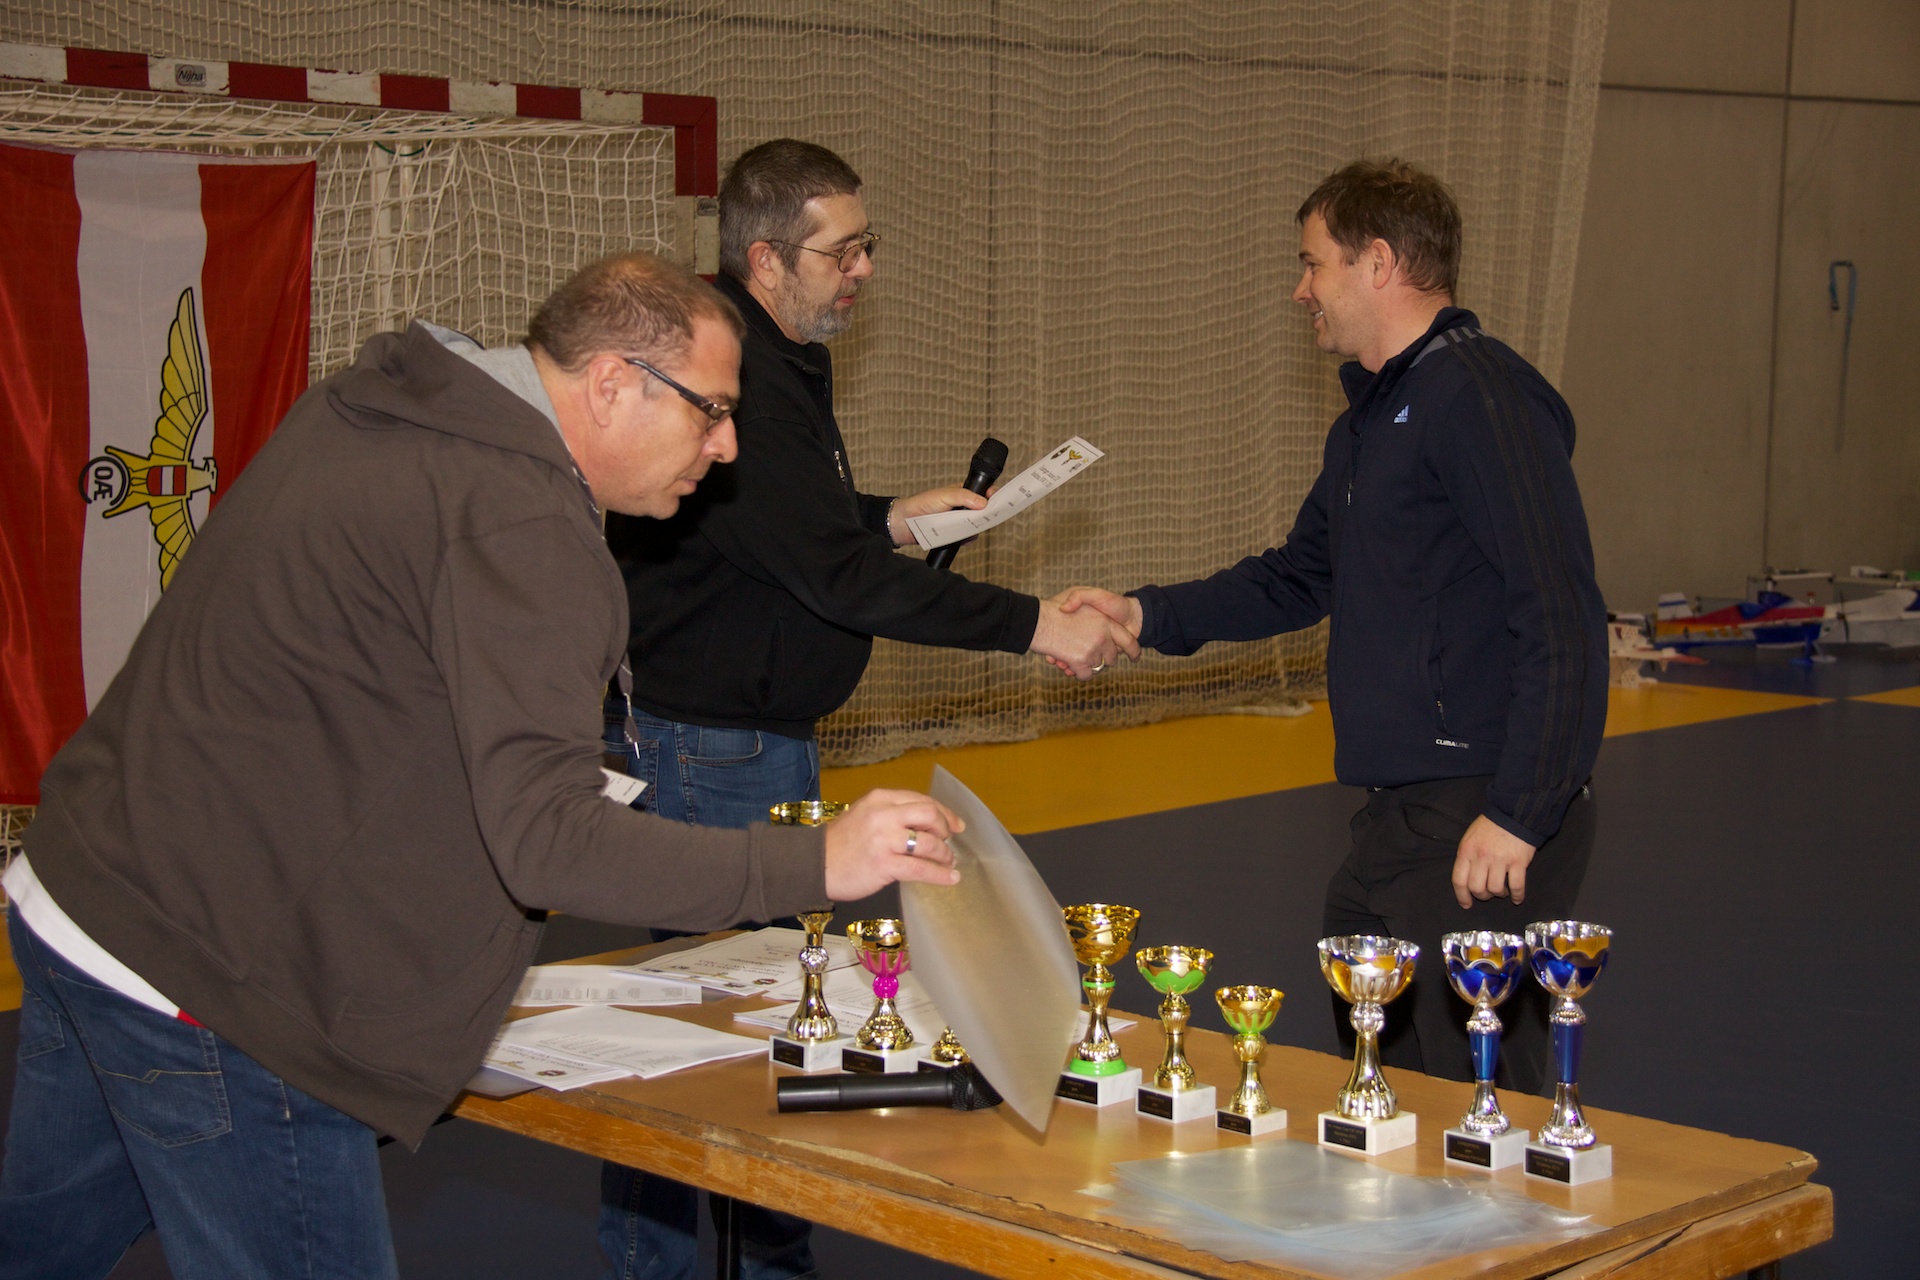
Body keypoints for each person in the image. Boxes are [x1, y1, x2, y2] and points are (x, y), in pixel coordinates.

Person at [0, 252, 968, 1279]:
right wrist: (817, 861)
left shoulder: (387, 410)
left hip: (87, 896)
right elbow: (549, 841)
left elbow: (362, 697)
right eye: (712, 410)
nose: (727, 446)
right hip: (225, 980)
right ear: (613, 382)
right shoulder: (521, 521)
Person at [597, 140, 1135, 1280]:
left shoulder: (781, 356)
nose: (864, 270)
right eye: (843, 251)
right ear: (765, 258)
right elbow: (833, 577)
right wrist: (1036, 624)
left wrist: (889, 516)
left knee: (746, 1024)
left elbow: (785, 526)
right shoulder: (731, 370)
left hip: (751, 741)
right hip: (706, 750)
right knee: (718, 1035)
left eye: (866, 246)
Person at [1063, 159, 1607, 1093]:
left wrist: (1520, 812)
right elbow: (1301, 574)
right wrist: (1147, 614)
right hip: (1402, 813)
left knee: (1474, 1086)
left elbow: (1560, 612)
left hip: (1477, 805)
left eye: (1313, 264)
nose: (1301, 289)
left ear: (1379, 263)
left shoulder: (1481, 398)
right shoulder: (1371, 418)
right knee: (1384, 1068)